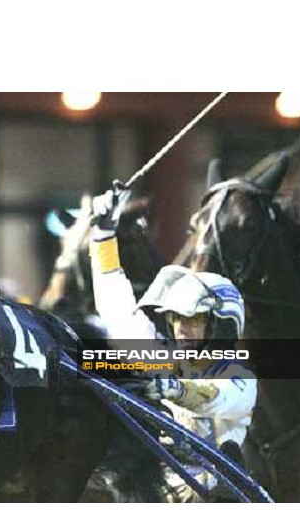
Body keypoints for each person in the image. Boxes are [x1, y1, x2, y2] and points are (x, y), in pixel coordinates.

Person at [89, 187, 257, 501]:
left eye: (193, 319)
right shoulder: (160, 357)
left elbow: (217, 399)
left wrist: (175, 390)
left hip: (217, 500)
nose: (182, 328)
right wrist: (103, 234)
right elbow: (115, 306)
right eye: (177, 319)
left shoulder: (239, 374)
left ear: (219, 324)